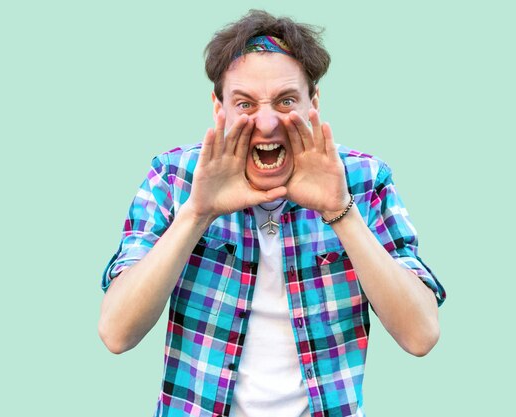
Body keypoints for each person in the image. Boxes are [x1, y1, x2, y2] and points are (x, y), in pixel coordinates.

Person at [98, 9, 446, 417]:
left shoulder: (365, 181)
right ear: (218, 108)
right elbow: (116, 333)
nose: (266, 124)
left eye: (286, 101)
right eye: (245, 103)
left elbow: (421, 335)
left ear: (313, 103)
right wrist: (197, 213)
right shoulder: (174, 178)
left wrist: (340, 211)